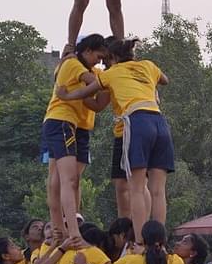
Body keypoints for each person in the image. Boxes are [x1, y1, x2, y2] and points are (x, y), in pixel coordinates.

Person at [57, 38, 172, 243]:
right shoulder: (148, 65)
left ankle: (139, 241)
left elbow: (86, 92)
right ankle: (159, 242)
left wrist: (65, 95)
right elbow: (165, 79)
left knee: (135, 188)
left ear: (114, 58)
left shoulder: (112, 73)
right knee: (157, 190)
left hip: (136, 122)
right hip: (159, 122)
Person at [42, 34, 108, 239]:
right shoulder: (72, 64)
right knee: (64, 179)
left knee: (72, 180)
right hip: (62, 121)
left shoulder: (91, 70)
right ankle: (68, 230)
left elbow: (98, 103)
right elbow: (96, 83)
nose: (100, 61)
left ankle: (67, 224)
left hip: (80, 127)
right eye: (99, 56)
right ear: (86, 50)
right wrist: (113, 77)